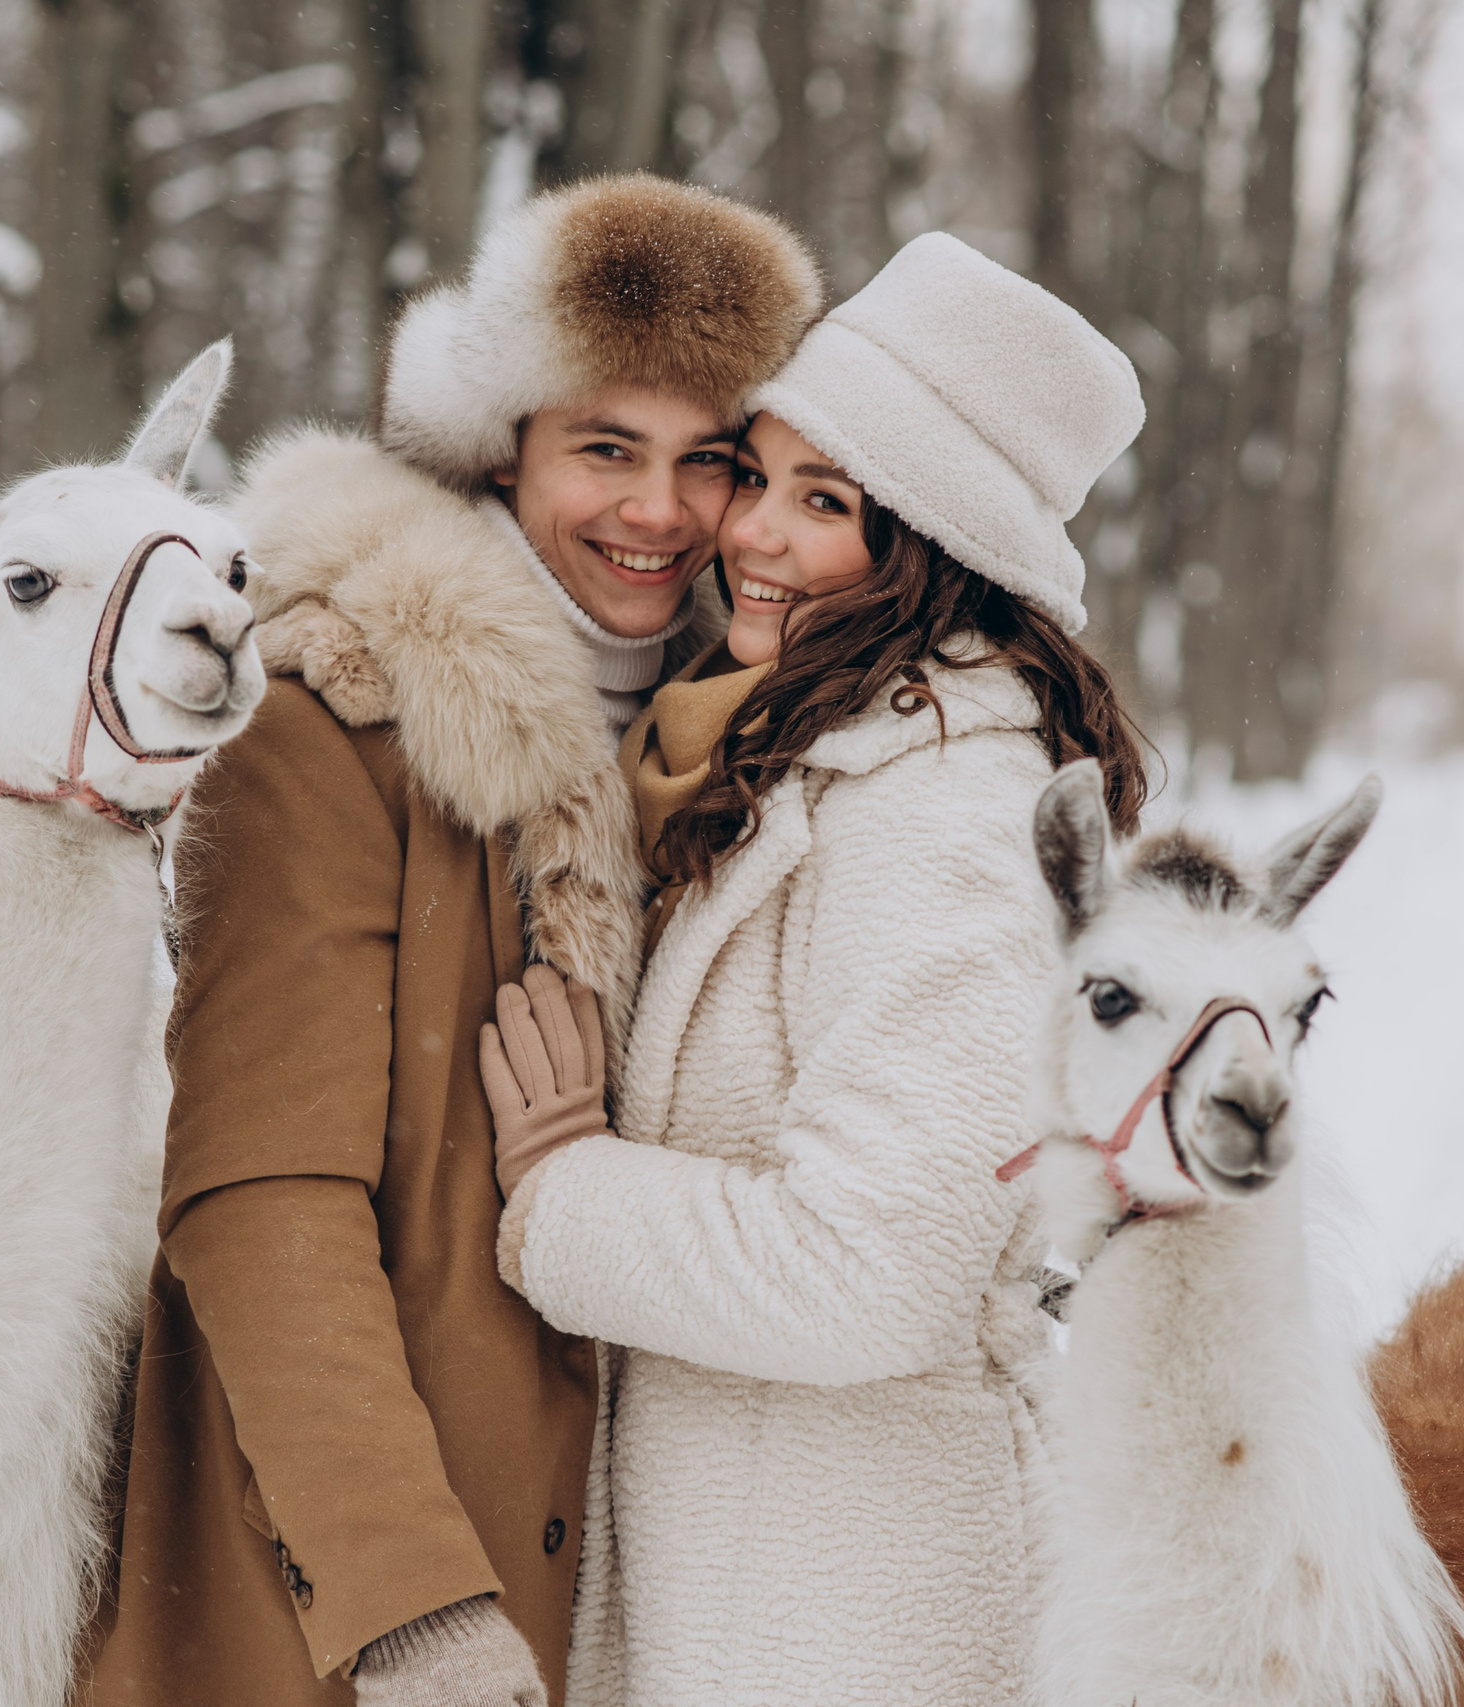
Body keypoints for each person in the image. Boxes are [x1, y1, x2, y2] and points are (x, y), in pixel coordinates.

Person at [79, 175, 822, 1707]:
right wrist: (409, 1603)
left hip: (655, 1587)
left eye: (709, 460)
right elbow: (258, 1197)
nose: (658, 510)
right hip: (355, 1603)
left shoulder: (736, 746)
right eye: (605, 449)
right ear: (505, 447)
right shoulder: (330, 723)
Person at [477, 233, 1151, 1705]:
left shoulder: (944, 815)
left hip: (858, 1618)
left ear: (932, 546)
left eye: (825, 502)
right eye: (760, 478)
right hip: (764, 1587)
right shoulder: (821, 758)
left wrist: (562, 1191)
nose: (751, 537)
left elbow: (874, 1272)